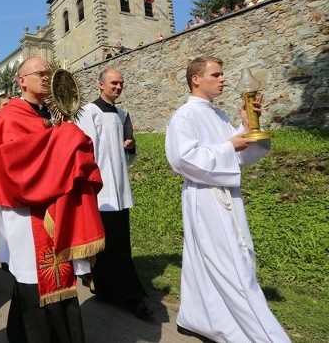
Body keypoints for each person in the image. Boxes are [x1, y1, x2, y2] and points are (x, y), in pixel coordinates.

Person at [165, 57, 291, 342]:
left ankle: (198, 318)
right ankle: (260, 334)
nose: (223, 79)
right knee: (230, 262)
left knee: (209, 260)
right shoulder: (185, 115)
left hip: (225, 195)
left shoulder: (219, 115)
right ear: (196, 79)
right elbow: (182, 159)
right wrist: (228, 145)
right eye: (216, 74)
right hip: (205, 196)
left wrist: (248, 127)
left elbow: (240, 155)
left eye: (223, 74)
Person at [0, 57, 105, 343]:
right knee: (32, 284)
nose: (46, 77)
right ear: (21, 81)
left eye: (48, 73)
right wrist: (63, 139)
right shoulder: (9, 117)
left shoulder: (53, 117)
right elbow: (17, 163)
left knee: (55, 282)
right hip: (27, 214)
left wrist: (62, 135)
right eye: (39, 73)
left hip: (57, 208)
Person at [75, 68, 153, 321]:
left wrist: (128, 146)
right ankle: (129, 295)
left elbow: (128, 156)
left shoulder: (122, 114)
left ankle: (115, 290)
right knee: (107, 244)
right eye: (114, 83)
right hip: (101, 189)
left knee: (119, 242)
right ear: (100, 85)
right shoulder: (89, 112)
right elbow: (85, 152)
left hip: (119, 188)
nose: (118, 87)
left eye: (121, 83)